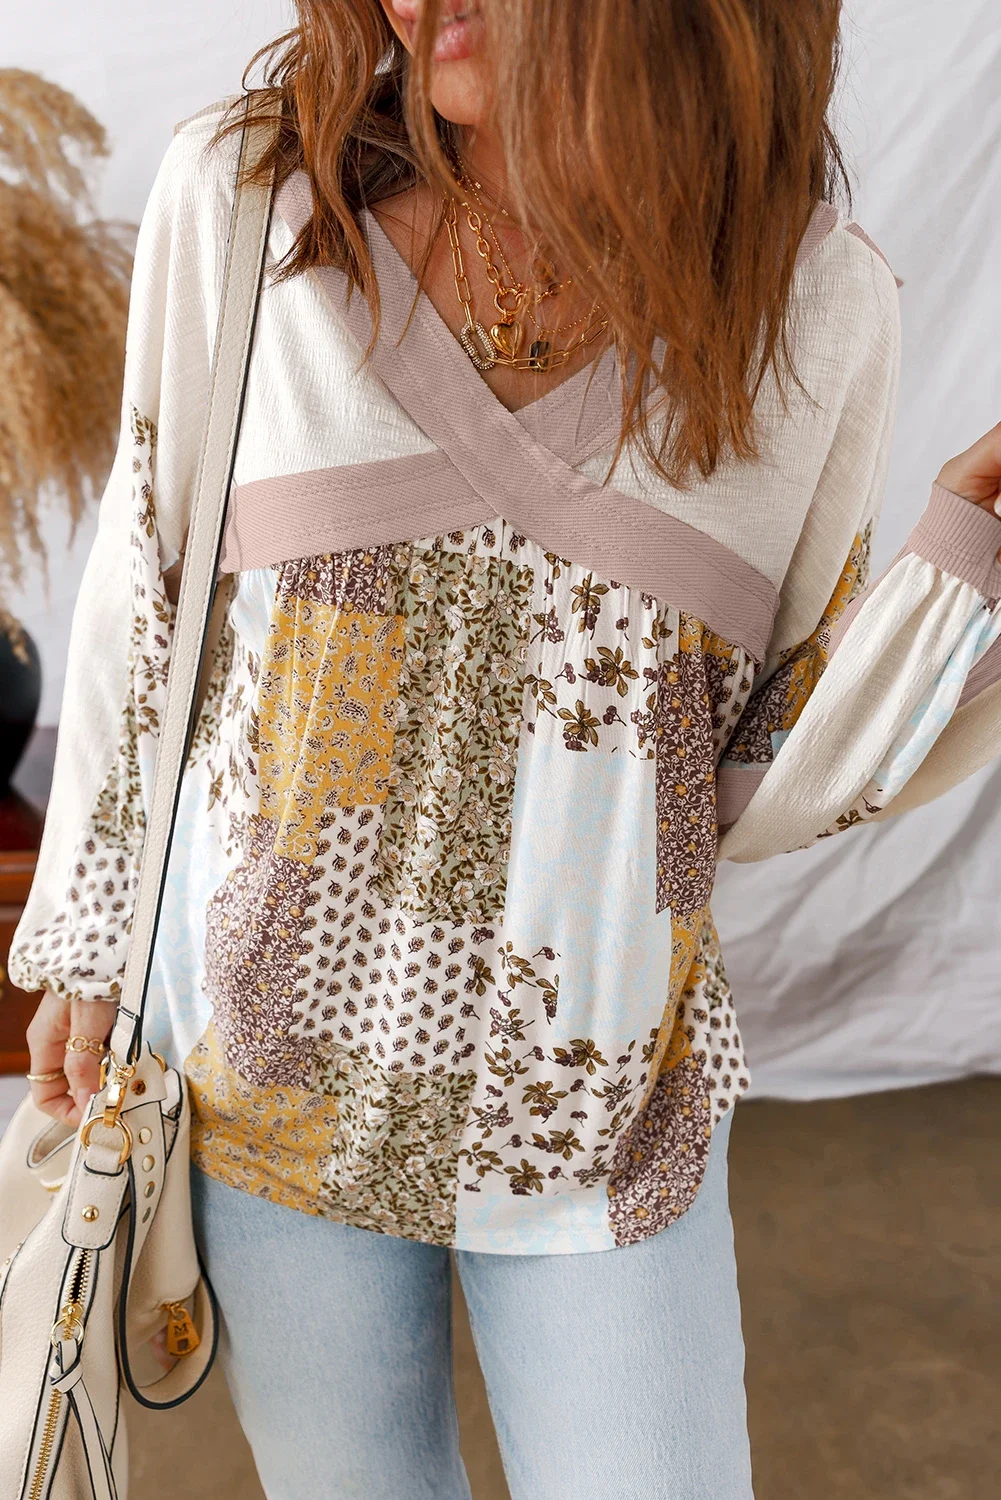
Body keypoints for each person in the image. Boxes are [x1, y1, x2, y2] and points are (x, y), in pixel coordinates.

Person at [12, 2, 1001, 1495]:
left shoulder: (813, 307)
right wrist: (90, 949)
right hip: (269, 1082)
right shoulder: (250, 200)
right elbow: (139, 597)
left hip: (602, 1114)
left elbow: (752, 772)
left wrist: (963, 569)